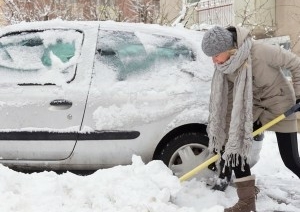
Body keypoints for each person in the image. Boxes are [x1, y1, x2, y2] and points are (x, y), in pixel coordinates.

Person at [201, 25, 300, 212]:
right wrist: (229, 131)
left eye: (215, 55)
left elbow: (296, 63)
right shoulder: (226, 67)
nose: (214, 61)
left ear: (228, 49)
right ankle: (246, 202)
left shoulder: (261, 51)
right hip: (251, 109)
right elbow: (230, 101)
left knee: (291, 160)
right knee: (235, 147)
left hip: (280, 106)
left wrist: (299, 94)